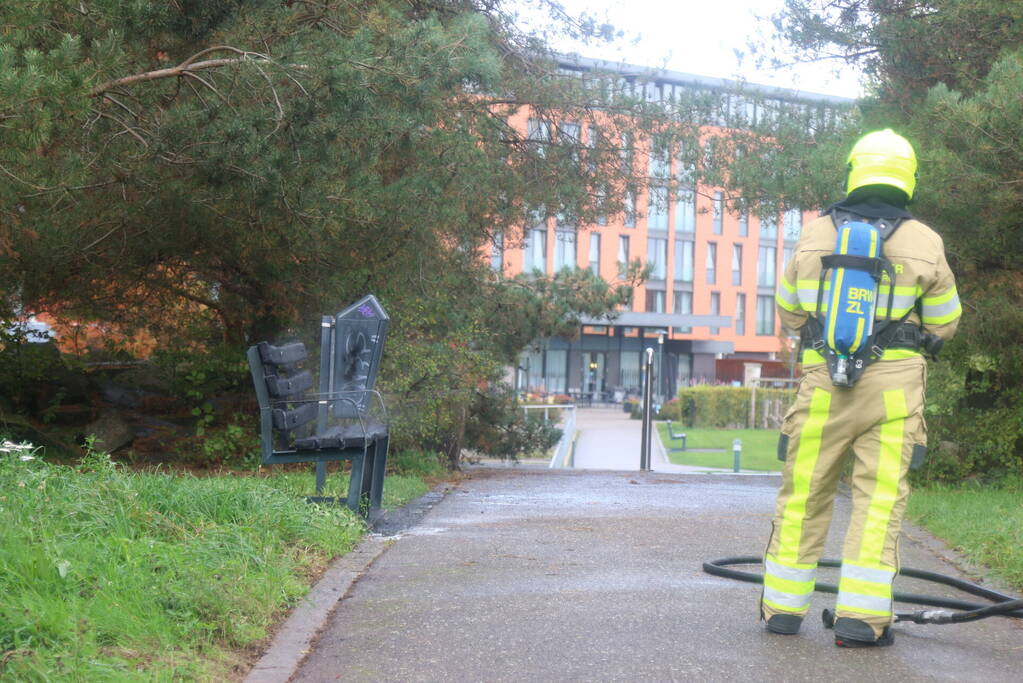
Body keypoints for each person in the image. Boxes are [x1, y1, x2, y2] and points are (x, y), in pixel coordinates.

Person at [762, 129, 962, 646]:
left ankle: (782, 610)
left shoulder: (813, 234)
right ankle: (861, 621)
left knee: (804, 494)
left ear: (854, 170)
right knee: (878, 504)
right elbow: (944, 325)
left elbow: (788, 314)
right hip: (895, 392)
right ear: (908, 176)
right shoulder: (926, 241)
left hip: (824, 386)